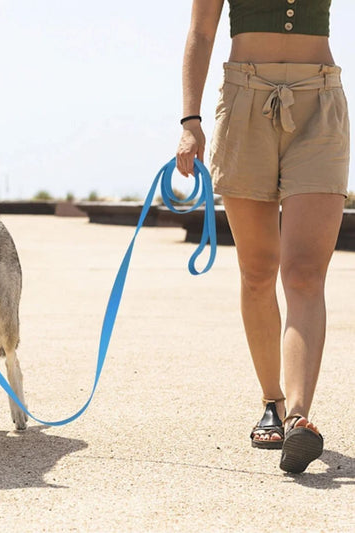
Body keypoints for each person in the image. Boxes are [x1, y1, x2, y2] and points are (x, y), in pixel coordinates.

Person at [176, 0, 349, 474]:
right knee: (257, 272)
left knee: (305, 274)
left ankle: (298, 417)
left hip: (320, 100)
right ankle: (271, 400)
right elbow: (202, 32)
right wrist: (190, 121)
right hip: (244, 100)